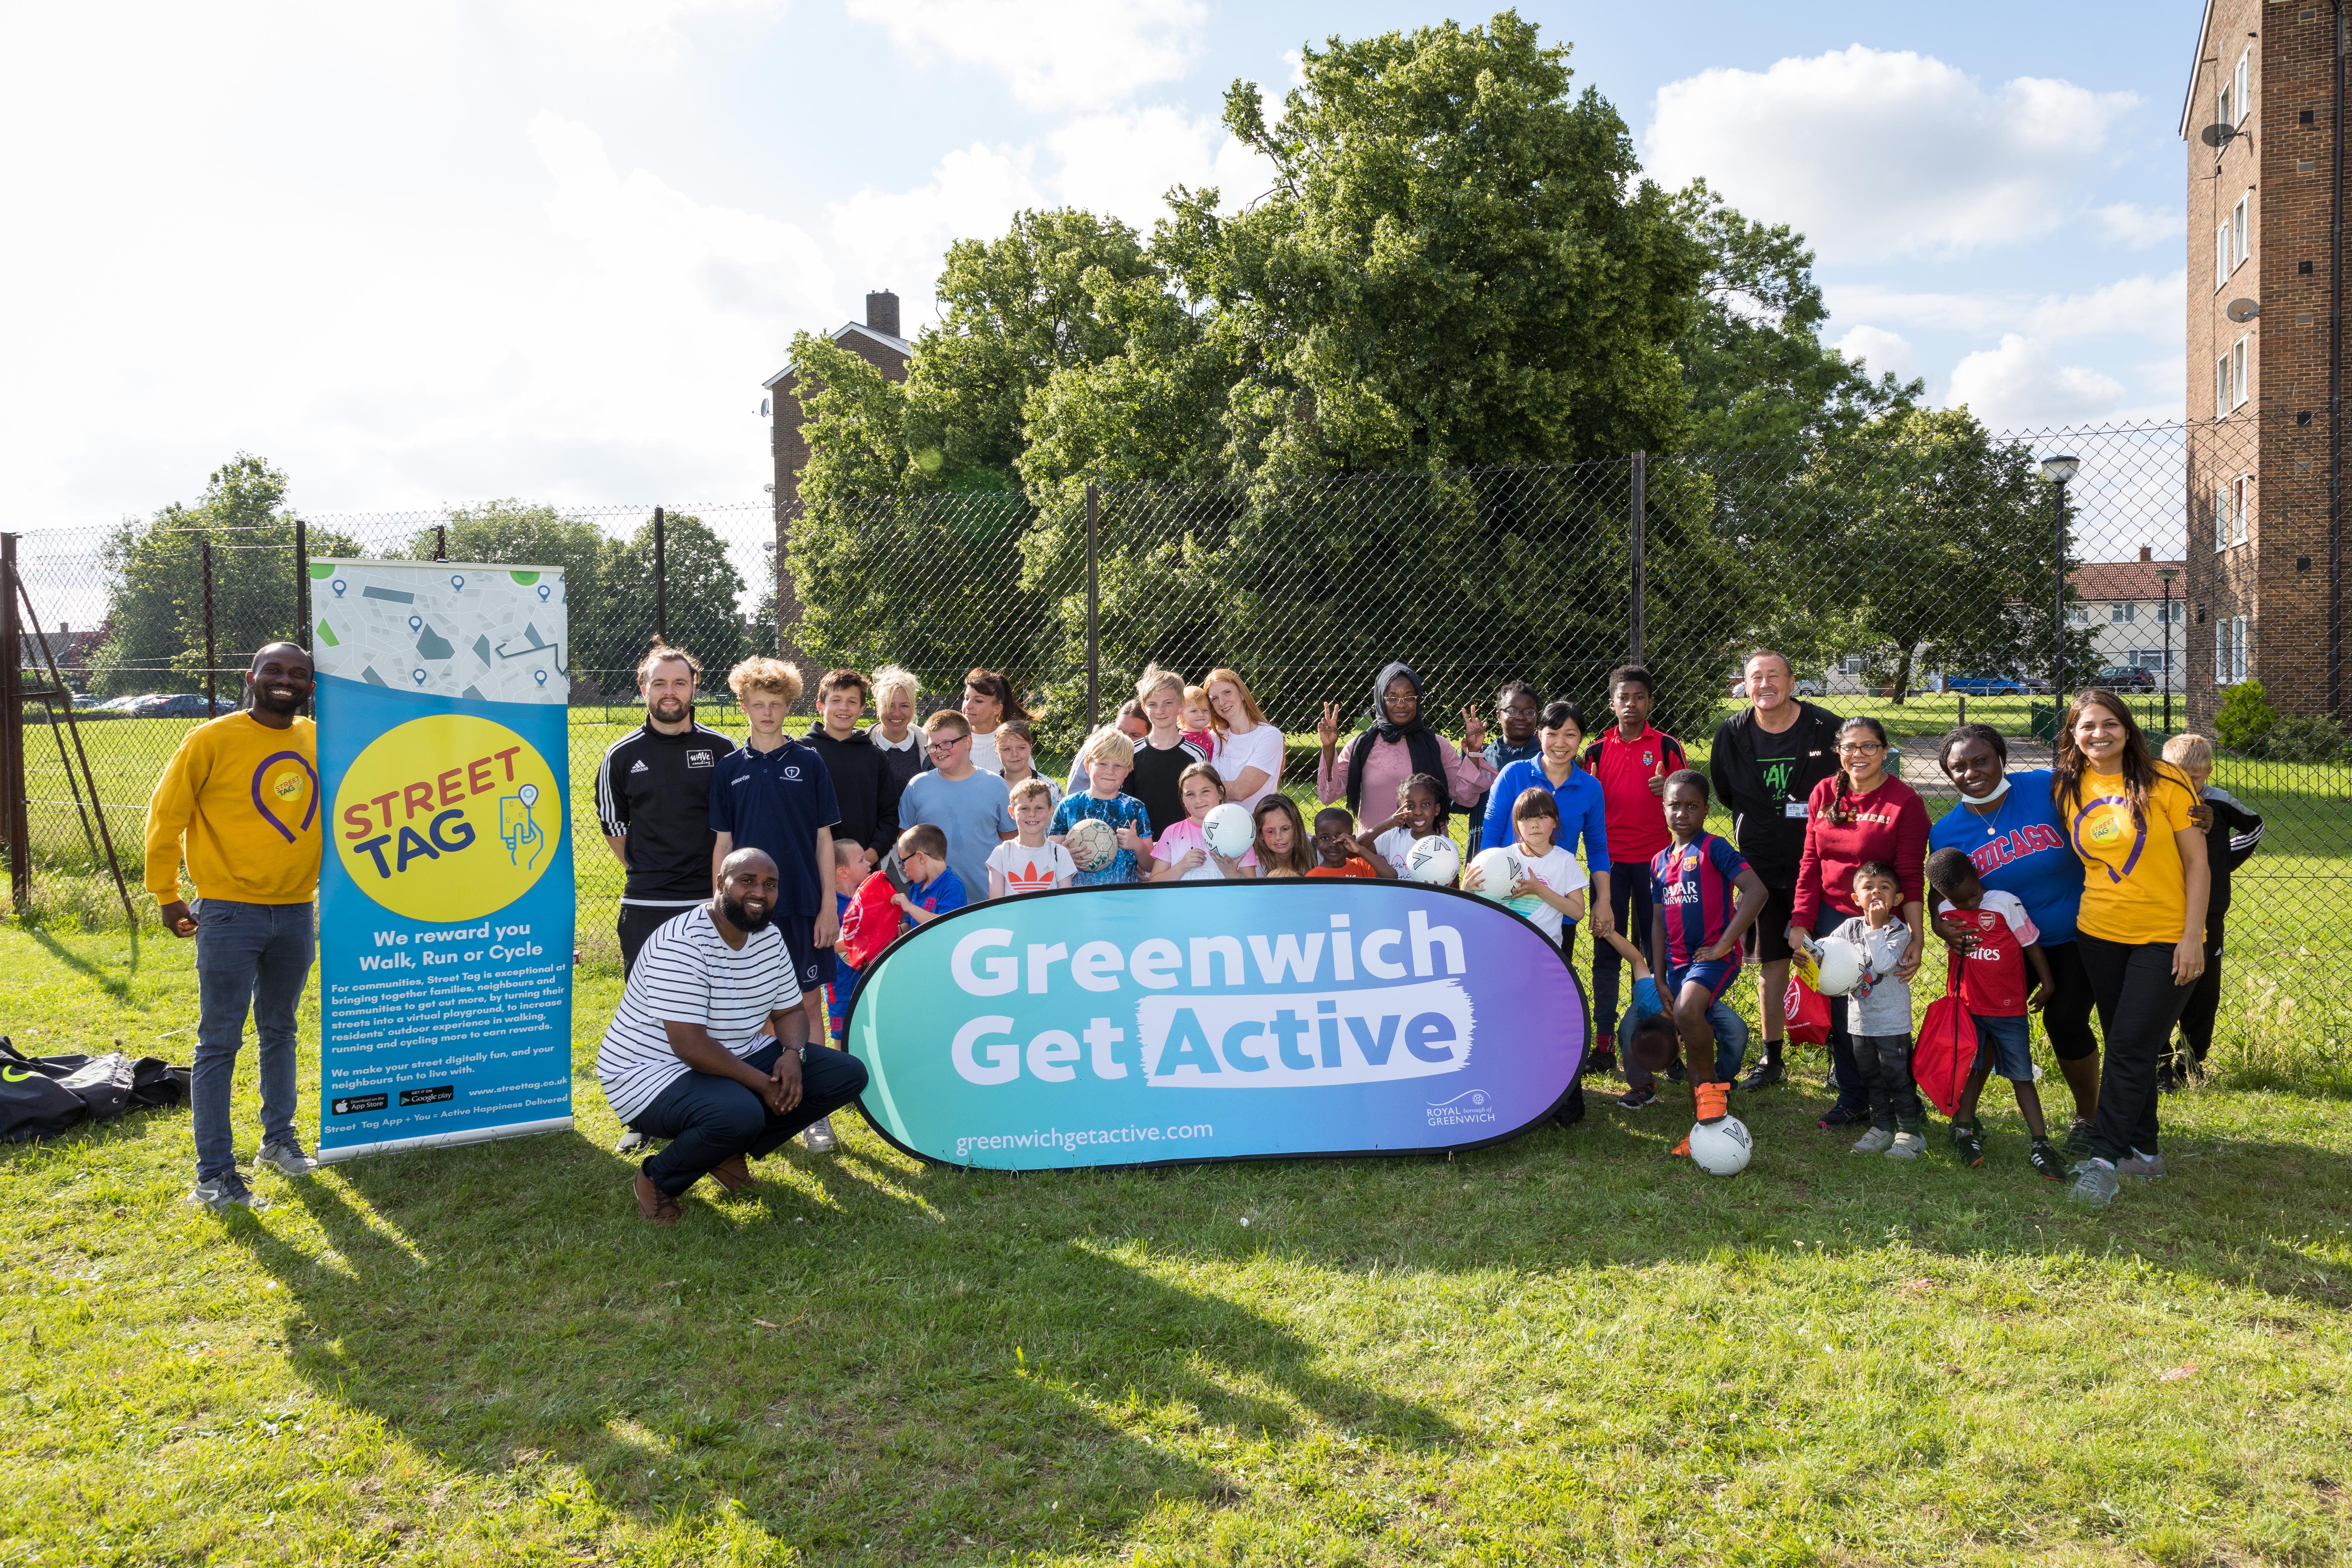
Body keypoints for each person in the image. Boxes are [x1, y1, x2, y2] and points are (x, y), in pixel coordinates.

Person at [595, 848, 868, 1226]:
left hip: (732, 1051)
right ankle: (657, 1180)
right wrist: (763, 1084)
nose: (760, 892)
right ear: (720, 884)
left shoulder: (769, 936)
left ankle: (721, 1152)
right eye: (748, 881)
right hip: (648, 1072)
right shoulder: (682, 943)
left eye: (770, 885)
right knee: (740, 1113)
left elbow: (789, 1011)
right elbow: (690, 1046)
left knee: (845, 1074)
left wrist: (792, 1054)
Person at [145, 642, 323, 1212]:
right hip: (227, 912)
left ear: (310, 684)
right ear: (251, 677)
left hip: (298, 910)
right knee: (219, 1040)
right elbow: (166, 817)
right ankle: (215, 1175)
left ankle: (278, 1140)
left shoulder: (320, 739)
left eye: (298, 673)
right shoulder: (210, 738)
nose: (285, 680)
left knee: (281, 1028)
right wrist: (168, 895)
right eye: (274, 670)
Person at [2055, 691, 2210, 1207]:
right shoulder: (2067, 786)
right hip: (2098, 933)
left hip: (2165, 936)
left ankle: (2104, 1158)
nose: (2098, 734)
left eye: (2108, 724)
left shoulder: (2166, 781)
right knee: (2129, 1042)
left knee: (2126, 1046)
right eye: (2086, 726)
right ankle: (2143, 1152)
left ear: (2126, 728)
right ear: (2072, 735)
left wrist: (2192, 936)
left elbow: (2197, 864)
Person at [1928, 723, 2103, 1156]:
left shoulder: (2047, 786)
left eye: (1980, 760)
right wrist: (1937, 923)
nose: (1971, 772)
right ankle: (1964, 1118)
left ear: (2001, 758)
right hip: (1998, 947)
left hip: (2070, 935)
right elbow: (1940, 891)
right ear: (1948, 775)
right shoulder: (1947, 831)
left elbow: (2114, 806)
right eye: (1958, 767)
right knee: (1981, 1027)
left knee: (2064, 1020)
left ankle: (2089, 1116)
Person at [709, 658, 844, 1150]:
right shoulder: (729, 769)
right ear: (743, 706)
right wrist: (719, 909)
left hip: (802, 905)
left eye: (776, 705)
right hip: (749, 912)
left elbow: (824, 840)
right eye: (758, 704)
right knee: (757, 1010)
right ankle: (769, 1103)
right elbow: (722, 846)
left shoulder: (809, 762)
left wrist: (828, 905)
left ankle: (814, 1109)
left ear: (788, 707)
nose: (767, 712)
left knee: (808, 1003)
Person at [1787, 715, 1929, 1130]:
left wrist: (1915, 938)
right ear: (1838, 752)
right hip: (1833, 919)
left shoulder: (1903, 801)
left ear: (1885, 751)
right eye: (1850, 747)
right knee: (1840, 1011)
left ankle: (1902, 1098)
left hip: (1881, 921)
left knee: (1881, 1016)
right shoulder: (1823, 794)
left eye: (1869, 747)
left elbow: (1911, 873)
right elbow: (1810, 863)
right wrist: (1800, 922)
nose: (1859, 755)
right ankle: (1853, 1098)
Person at [1710, 650, 1843, 1091]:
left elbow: (1844, 786)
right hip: (1761, 866)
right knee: (1772, 962)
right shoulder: (1732, 732)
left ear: (1790, 681)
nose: (1764, 684)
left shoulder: (1825, 726)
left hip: (1819, 861)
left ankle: (1842, 1057)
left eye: (1773, 676)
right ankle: (1772, 1059)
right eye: (1755, 678)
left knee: (1832, 959)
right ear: (1745, 685)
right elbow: (1727, 792)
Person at [1643, 770, 1770, 1144]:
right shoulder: (1658, 862)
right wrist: (1660, 976)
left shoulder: (1714, 848)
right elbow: (1656, 924)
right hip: (1677, 964)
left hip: (1714, 957)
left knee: (1686, 1013)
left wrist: (1725, 944)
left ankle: (1712, 1106)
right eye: (1674, 805)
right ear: (1663, 808)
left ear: (1705, 809)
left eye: (1692, 806)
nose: (1682, 813)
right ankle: (1704, 1119)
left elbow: (1756, 892)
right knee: (1692, 1017)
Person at [596, 643, 735, 974]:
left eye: (679, 683)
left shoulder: (722, 749)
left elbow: (736, 825)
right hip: (646, 901)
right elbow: (613, 826)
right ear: (644, 688)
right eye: (659, 683)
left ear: (694, 686)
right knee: (647, 1007)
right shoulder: (621, 755)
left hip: (709, 900)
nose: (669, 692)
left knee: (714, 1006)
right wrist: (648, 867)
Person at [1927, 847, 2064, 1179]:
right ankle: (1963, 1132)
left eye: (1974, 895)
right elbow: (1945, 925)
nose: (1971, 905)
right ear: (1944, 897)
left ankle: (2041, 1143)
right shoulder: (1945, 913)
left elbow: (2031, 942)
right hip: (1968, 1009)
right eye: (1961, 902)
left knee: (2022, 1076)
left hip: (2008, 1010)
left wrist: (2047, 984)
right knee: (1972, 1071)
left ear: (1978, 876)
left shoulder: (2005, 903)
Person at [1584, 666, 1687, 1051]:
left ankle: (1660, 1035)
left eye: (1639, 697)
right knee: (1607, 949)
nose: (1631, 705)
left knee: (1656, 952)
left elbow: (1691, 804)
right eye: (1623, 698)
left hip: (1657, 866)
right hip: (1608, 868)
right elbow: (1584, 807)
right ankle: (1604, 1041)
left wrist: (1670, 789)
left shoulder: (1665, 747)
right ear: (1611, 703)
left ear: (1650, 702)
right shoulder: (1595, 751)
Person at [1480, 700, 1613, 986]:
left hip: (1557, 910)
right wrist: (1486, 880)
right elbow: (1490, 834)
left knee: (1549, 987)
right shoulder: (1513, 774)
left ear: (1581, 739)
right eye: (1552, 733)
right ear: (1539, 734)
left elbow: (1598, 848)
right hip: (1509, 901)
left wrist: (1603, 900)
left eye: (1571, 734)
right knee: (1504, 982)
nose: (1560, 743)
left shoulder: (1590, 788)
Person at [2159, 733, 2263, 1086]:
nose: (2189, 785)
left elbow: (2255, 826)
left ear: (2210, 773)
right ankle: (2158, 1063)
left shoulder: (2218, 802)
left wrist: (2221, 862)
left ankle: (2191, 1062)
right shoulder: (2154, 798)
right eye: (2179, 776)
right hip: (2160, 908)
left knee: (2203, 989)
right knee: (2158, 985)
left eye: (2197, 778)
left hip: (2209, 913)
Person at [1317, 661, 1496, 835]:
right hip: (1374, 851)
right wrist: (1329, 748)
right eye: (1392, 698)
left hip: (1427, 852)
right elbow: (1329, 795)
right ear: (1380, 700)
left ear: (1418, 699)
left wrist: (1473, 751)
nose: (1401, 704)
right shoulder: (1362, 746)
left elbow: (1465, 796)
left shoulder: (1437, 745)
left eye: (1409, 697)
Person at [1829, 862, 1925, 1160]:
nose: (1876, 892)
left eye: (1884, 887)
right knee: (1870, 1076)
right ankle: (1882, 1126)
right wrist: (1811, 953)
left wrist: (1875, 927)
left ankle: (1910, 1131)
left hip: (1891, 1022)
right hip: (1860, 1021)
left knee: (1897, 1077)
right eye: (1868, 887)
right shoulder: (1849, 927)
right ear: (1855, 898)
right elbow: (1828, 950)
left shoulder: (1898, 931)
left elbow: (1883, 964)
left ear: (1897, 899)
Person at [899, 711, 1018, 902]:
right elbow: (905, 840)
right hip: (933, 901)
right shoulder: (917, 786)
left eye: (947, 743)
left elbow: (1011, 841)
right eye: (933, 746)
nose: (939, 751)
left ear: (967, 742)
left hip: (986, 896)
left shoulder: (995, 785)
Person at [804, 669, 902, 872]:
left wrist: (870, 855)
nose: (844, 708)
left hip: (861, 870)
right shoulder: (801, 753)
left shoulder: (874, 758)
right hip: (811, 866)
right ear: (820, 706)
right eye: (836, 700)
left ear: (862, 709)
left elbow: (890, 816)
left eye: (852, 701)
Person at [1051, 727, 1153, 886]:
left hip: (1124, 897)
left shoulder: (1135, 808)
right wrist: (1065, 857)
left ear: (1127, 771)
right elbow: (1050, 856)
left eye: (1118, 766)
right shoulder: (1069, 806)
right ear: (1087, 767)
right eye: (1102, 764)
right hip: (1078, 897)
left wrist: (1137, 845)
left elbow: (1150, 865)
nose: (1110, 771)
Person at [1128, 666, 1209, 840]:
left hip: (1185, 847)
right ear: (1144, 708)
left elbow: (1202, 805)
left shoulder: (1197, 755)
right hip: (1143, 847)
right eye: (1153, 705)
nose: (1160, 711)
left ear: (1181, 704)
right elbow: (1126, 807)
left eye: (1168, 703)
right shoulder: (1131, 753)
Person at [1152, 761, 1260, 881]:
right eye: (1190, 794)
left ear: (1220, 792)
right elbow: (1155, 883)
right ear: (1182, 799)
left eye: (1205, 792)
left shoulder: (1240, 831)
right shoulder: (1172, 833)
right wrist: (1182, 867)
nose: (1198, 800)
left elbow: (1251, 887)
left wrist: (1231, 873)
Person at [1464, 679, 1541, 847]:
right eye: (1512, 711)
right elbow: (1463, 800)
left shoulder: (1545, 758)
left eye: (1529, 712)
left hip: (1533, 847)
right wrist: (1472, 754)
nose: (1521, 717)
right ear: (1499, 716)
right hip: (1485, 843)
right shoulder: (1482, 755)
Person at [1203, 667, 1285, 811]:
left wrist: (1199, 788)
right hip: (1217, 824)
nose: (1222, 702)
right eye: (1215, 699)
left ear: (1241, 693)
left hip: (1256, 825)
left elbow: (1241, 791)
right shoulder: (1215, 736)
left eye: (1227, 693)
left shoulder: (1269, 736)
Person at [989, 776, 1078, 897]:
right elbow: (996, 905)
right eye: (1024, 809)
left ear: (1051, 811)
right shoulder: (1002, 854)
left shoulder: (1060, 854)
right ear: (1011, 812)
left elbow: (1065, 901)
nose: (1032, 814)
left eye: (1039, 808)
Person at [1365, 773, 1452, 878]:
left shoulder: (1447, 848)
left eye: (1426, 805)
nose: (1418, 812)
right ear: (1400, 810)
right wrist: (1384, 825)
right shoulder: (1394, 837)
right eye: (1410, 806)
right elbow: (1355, 849)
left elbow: (1453, 890)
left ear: (1437, 809)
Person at [1066, 700, 1149, 799]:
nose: (1126, 738)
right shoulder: (1099, 744)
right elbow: (1076, 791)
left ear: (1151, 733)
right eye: (1121, 731)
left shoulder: (1158, 748)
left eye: (1134, 735)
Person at [891, 823, 968, 927]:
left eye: (903, 862)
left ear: (920, 858)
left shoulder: (953, 886)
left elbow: (946, 924)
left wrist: (910, 907)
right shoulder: (916, 888)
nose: (904, 869)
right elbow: (910, 925)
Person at [868, 665, 929, 797]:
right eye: (889, 705)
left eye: (904, 706)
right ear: (877, 707)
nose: (896, 714)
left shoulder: (931, 749)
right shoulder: (861, 747)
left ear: (913, 707)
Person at [826, 840, 866, 1042]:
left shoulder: (868, 899)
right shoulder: (828, 907)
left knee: (868, 1033)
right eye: (862, 861)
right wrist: (856, 942)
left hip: (869, 982)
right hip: (839, 987)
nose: (869, 864)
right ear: (843, 872)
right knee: (842, 1039)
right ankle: (841, 1074)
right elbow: (824, 945)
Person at [960, 667, 1025, 775]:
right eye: (967, 698)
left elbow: (1029, 784)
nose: (968, 705)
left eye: (978, 701)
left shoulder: (1014, 740)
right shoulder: (954, 739)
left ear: (997, 709)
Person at [993, 719, 1062, 811]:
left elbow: (1061, 824)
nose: (1015, 754)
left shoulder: (1051, 788)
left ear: (1030, 748)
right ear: (997, 753)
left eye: (1021, 748)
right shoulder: (990, 789)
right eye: (1007, 749)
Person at [1308, 807, 1390, 879]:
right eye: (1325, 838)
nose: (1333, 844)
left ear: (1352, 840)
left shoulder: (1361, 866)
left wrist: (1360, 850)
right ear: (1317, 842)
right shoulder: (1313, 878)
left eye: (1340, 838)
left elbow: (1391, 876)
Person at [1251, 794, 1316, 878]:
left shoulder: (1317, 848)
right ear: (1260, 834)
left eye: (1285, 829)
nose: (1279, 837)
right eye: (1270, 832)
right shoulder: (1254, 868)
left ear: (1297, 828)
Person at [1180, 685, 1218, 756]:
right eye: (1194, 711)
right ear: (1182, 716)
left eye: (1205, 710)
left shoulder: (1208, 733)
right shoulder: (1182, 740)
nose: (1201, 714)